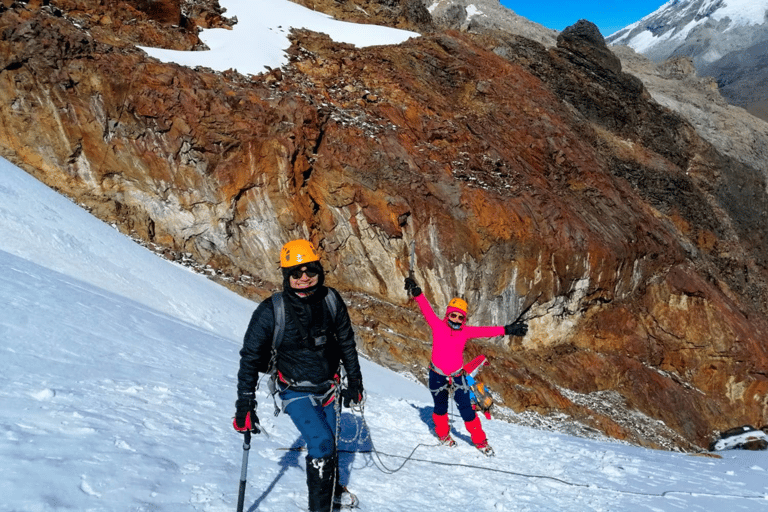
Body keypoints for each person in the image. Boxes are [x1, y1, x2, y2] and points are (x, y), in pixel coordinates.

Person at [234, 239, 364, 512]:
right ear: (286, 276)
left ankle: (332, 490)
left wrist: (356, 382)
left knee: (331, 439)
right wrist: (245, 403)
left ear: (319, 271)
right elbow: (249, 357)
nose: (304, 278)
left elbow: (346, 343)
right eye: (295, 273)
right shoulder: (271, 310)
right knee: (322, 441)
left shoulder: (331, 300)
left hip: (330, 387)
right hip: (295, 390)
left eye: (310, 271)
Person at [404, 276, 527, 456]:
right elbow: (426, 309)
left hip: (457, 376)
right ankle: (443, 434)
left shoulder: (465, 332)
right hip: (437, 375)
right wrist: (417, 293)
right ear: (448, 314)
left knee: (467, 410)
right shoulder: (438, 326)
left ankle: (480, 441)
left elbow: (486, 331)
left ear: (464, 319)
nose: (456, 318)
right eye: (453, 314)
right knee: (440, 408)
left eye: (461, 317)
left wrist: (507, 329)